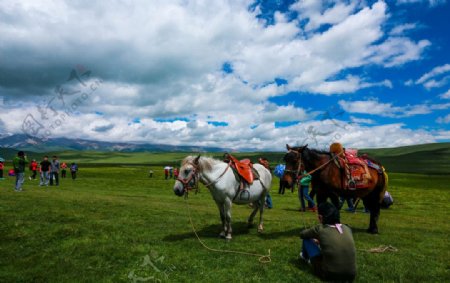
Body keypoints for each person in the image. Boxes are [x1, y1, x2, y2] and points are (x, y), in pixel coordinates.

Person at [299, 202, 356, 282]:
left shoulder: (320, 229)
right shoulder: (347, 228)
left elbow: (302, 234)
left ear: (320, 217)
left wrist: (315, 237)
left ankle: (304, 257)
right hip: (351, 275)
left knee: (307, 240)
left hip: (329, 275)